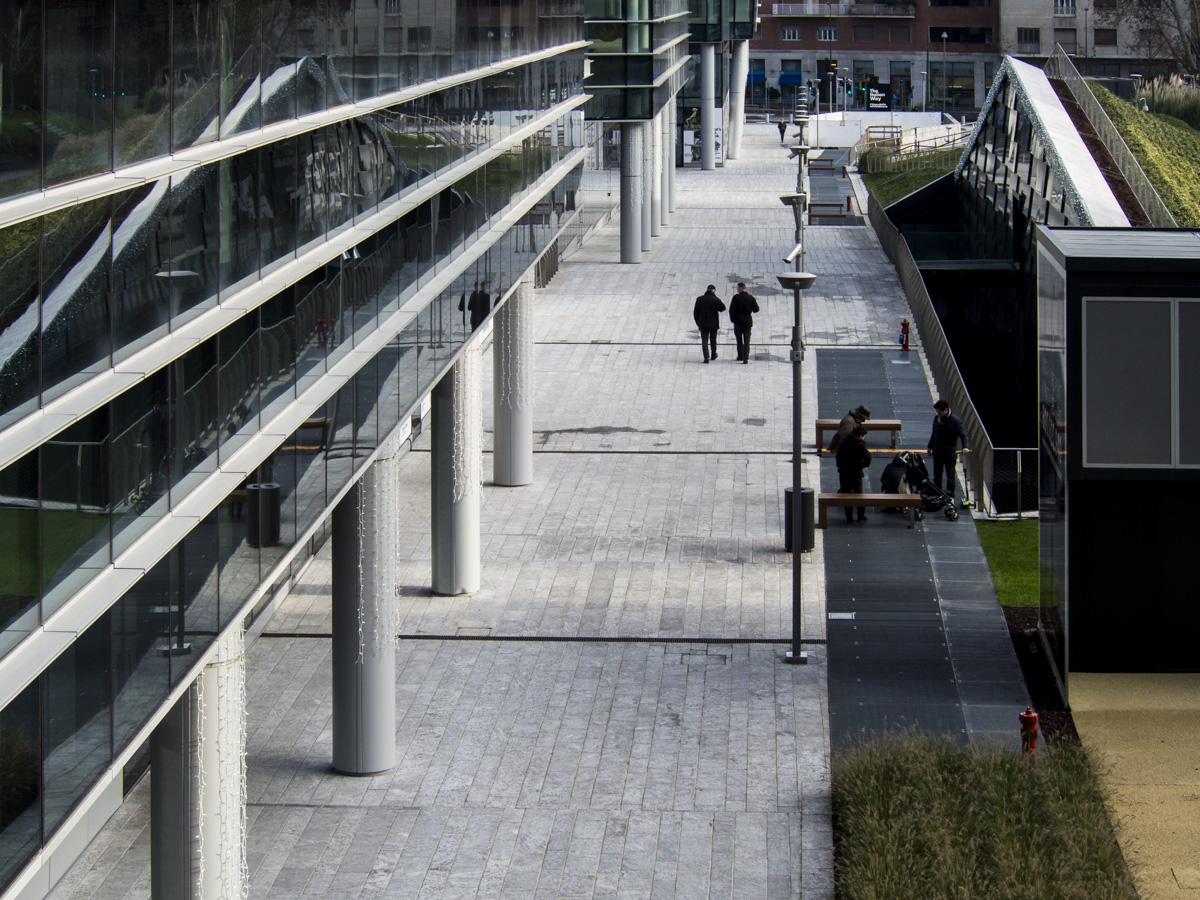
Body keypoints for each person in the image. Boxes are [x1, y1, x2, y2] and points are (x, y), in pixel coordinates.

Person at [928, 399, 970, 501]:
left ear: (945, 410)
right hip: (937, 451)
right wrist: (930, 446)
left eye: (939, 412)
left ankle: (950, 496)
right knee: (937, 475)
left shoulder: (955, 421)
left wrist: (965, 447)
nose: (938, 414)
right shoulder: (936, 419)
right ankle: (938, 493)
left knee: (950, 476)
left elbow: (963, 435)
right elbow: (934, 434)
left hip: (949, 453)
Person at [836, 425, 872, 523]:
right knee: (858, 495)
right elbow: (868, 456)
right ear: (861, 435)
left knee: (846, 494)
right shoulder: (861, 445)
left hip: (843, 472)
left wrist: (839, 465)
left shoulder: (844, 442)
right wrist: (864, 465)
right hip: (856, 472)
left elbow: (838, 456)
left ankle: (849, 516)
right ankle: (860, 515)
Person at [693, 284, 725, 363]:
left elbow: (695, 312)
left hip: (703, 323)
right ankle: (713, 354)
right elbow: (723, 308)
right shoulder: (715, 299)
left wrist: (698, 323)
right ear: (713, 291)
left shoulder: (699, 299)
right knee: (713, 339)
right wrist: (717, 298)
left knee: (704, 340)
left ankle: (706, 357)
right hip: (713, 324)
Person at [728, 282, 760, 363]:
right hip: (747, 321)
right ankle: (746, 357)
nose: (737, 290)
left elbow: (731, 310)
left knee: (739, 340)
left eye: (737, 288)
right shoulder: (751, 298)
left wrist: (733, 319)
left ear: (740, 288)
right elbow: (756, 309)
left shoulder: (736, 297)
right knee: (747, 340)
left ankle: (740, 356)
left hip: (738, 321)